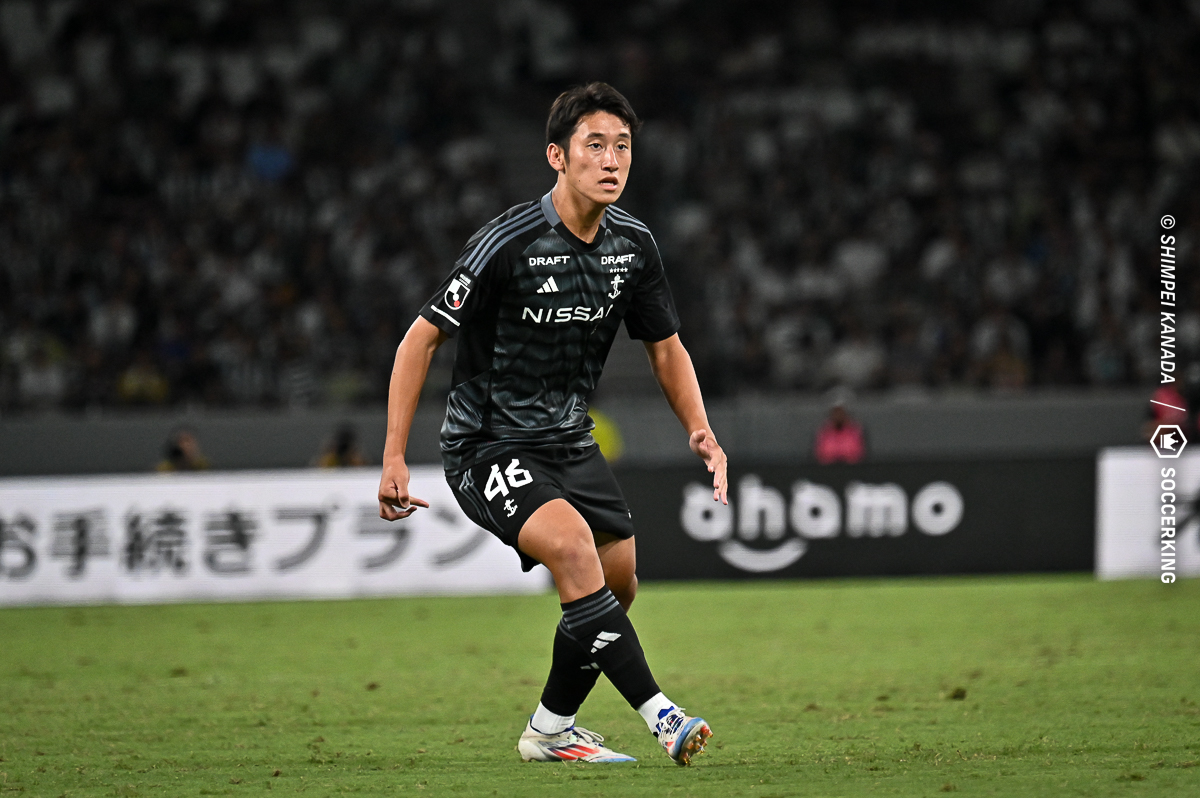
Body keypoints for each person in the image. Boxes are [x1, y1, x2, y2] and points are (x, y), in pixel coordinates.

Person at [376, 83, 728, 765]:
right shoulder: (507, 242)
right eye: (594, 145)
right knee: (572, 550)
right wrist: (394, 456)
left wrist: (699, 427)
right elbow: (419, 340)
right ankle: (662, 715)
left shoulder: (634, 246)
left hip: (568, 439)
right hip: (486, 443)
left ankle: (549, 729)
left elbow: (665, 348)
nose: (612, 160)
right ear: (556, 156)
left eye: (622, 146)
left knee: (618, 583)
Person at [814, 394, 866, 465]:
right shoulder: (824, 431)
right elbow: (821, 454)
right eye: (836, 412)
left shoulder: (855, 430)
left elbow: (857, 453)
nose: (838, 415)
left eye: (841, 412)